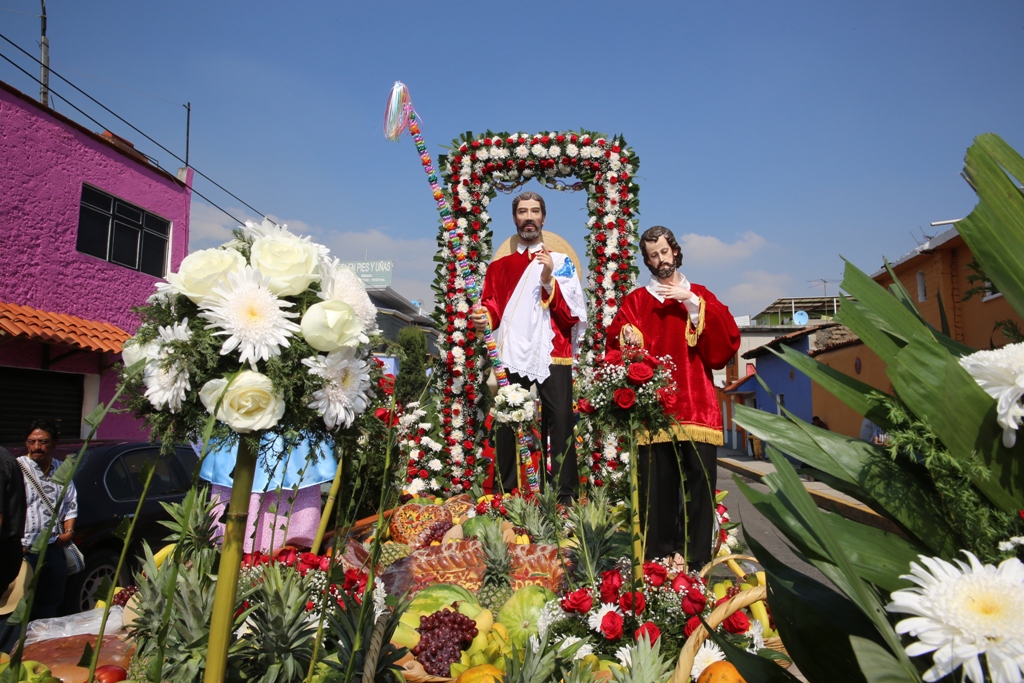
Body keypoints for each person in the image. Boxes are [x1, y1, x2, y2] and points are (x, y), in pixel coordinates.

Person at [606, 225, 740, 568]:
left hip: (697, 408)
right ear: (646, 260)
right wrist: (629, 344)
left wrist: (694, 306)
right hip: (655, 412)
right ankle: (657, 562)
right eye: (652, 256)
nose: (660, 260)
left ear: (676, 252)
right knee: (657, 491)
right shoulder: (635, 302)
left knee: (700, 486)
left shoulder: (700, 295)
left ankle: (696, 562)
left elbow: (723, 349)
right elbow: (615, 349)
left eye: (664, 252)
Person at [471, 191, 588, 502]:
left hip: (554, 350)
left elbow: (571, 314)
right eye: (522, 211)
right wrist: (484, 318)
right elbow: (492, 307)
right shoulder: (499, 267)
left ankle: (563, 495)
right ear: (515, 219)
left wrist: (549, 279)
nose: (529, 217)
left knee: (561, 418)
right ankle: (505, 492)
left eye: (535, 211)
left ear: (543, 219)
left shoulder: (560, 263)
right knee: (509, 420)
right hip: (513, 352)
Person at [18, 419, 77, 619]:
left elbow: (70, 503)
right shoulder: (16, 468)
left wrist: (68, 532)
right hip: (24, 550)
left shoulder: (62, 469)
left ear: (54, 443)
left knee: (50, 602)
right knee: (19, 604)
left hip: (53, 547)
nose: (36, 447)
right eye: (31, 442)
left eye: (43, 442)